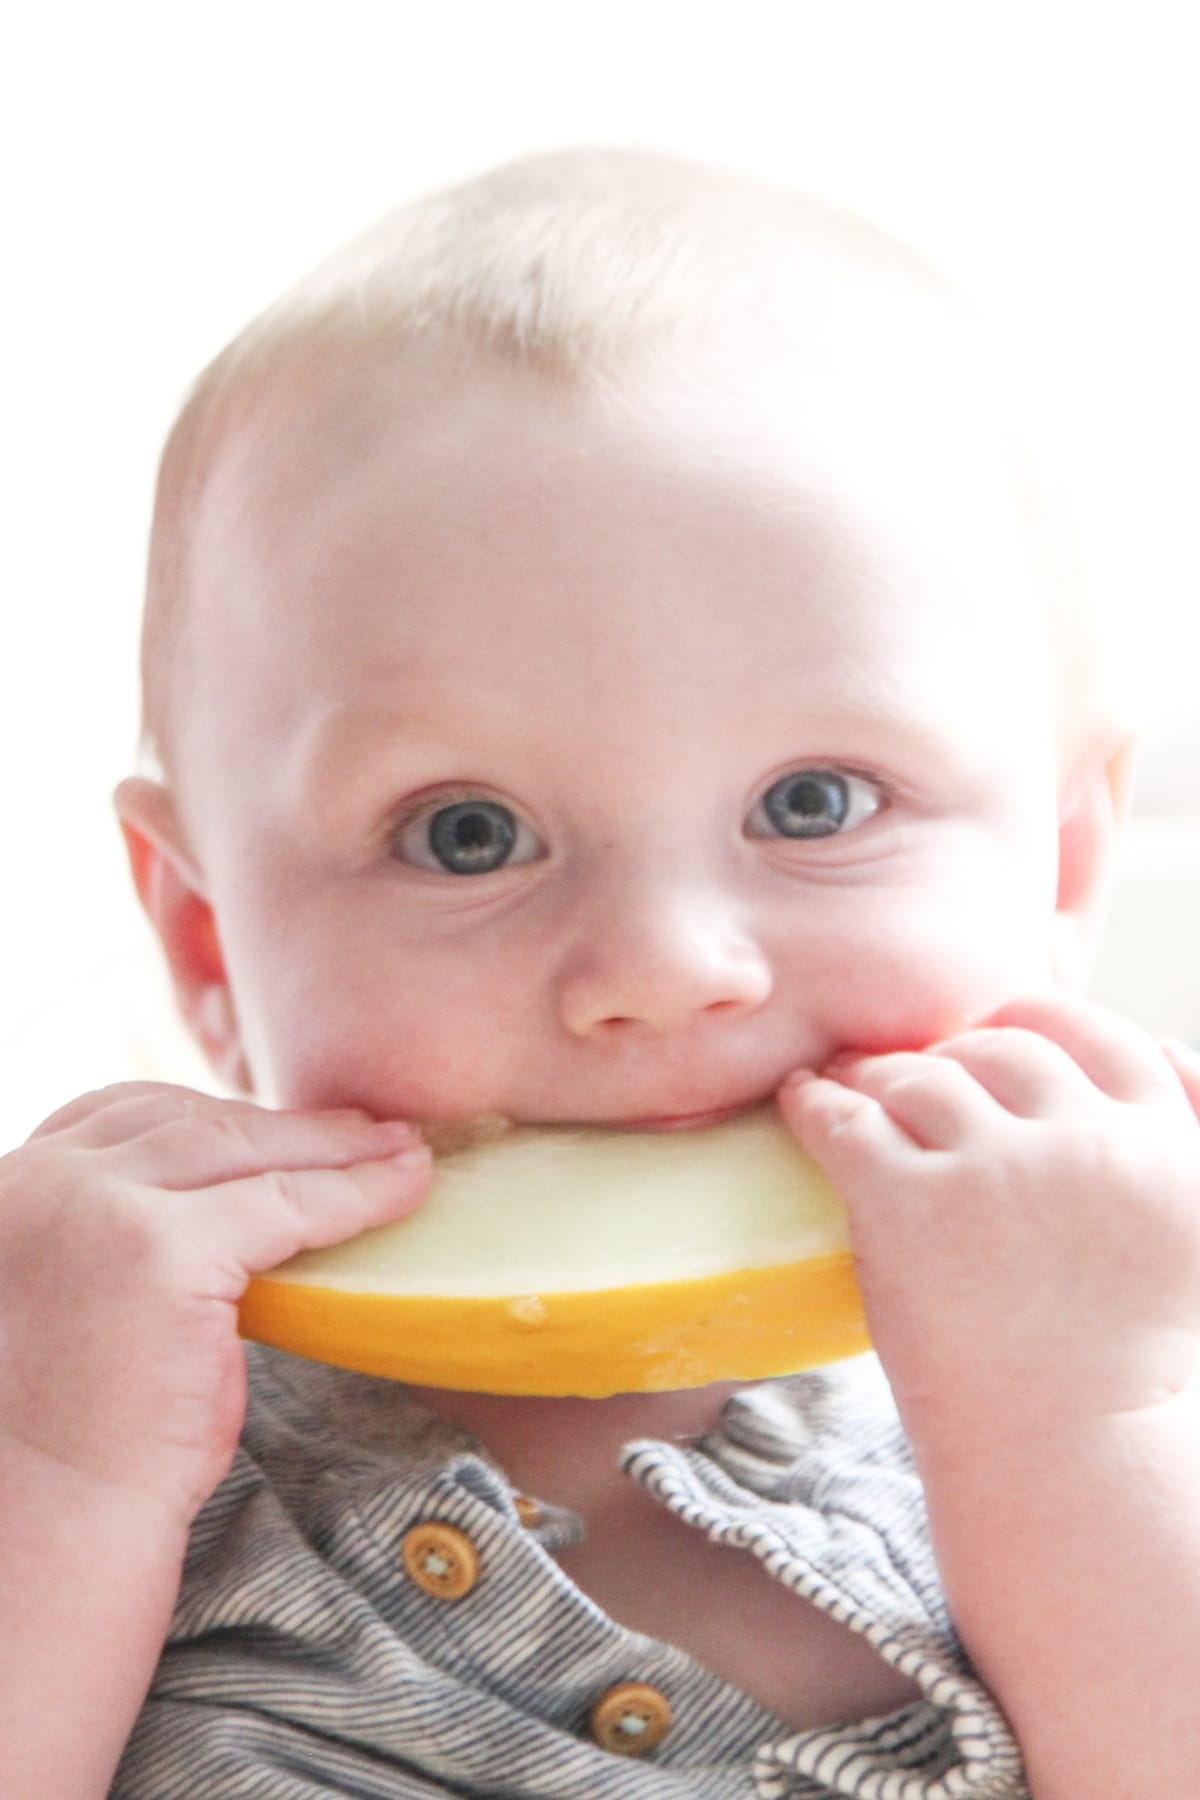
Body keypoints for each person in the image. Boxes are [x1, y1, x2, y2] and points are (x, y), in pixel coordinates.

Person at [3, 148, 1199, 1800]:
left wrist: (1091, 1430)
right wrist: (50, 1470)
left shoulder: (1143, 1331)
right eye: (468, 833)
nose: (659, 969)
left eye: (813, 804)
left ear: (1062, 866)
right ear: (207, 939)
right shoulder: (94, 1380)